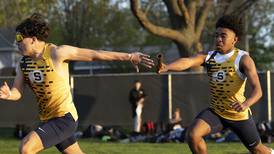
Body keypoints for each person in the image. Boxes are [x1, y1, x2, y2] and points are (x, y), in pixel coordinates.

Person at [0, 13, 154, 154]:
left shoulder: (57, 53)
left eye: (20, 38)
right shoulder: (23, 64)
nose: (16, 42)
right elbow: (17, 92)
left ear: (33, 39)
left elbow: (96, 55)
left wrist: (130, 56)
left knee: (26, 148)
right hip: (49, 119)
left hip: (64, 118)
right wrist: (9, 94)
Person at [158, 14, 273, 154]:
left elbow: (258, 91)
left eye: (223, 36)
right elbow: (188, 61)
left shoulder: (243, 59)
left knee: (258, 150)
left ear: (235, 39)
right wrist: (168, 66)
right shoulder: (209, 56)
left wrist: (245, 104)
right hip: (217, 112)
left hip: (239, 116)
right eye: (216, 35)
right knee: (193, 135)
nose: (218, 39)